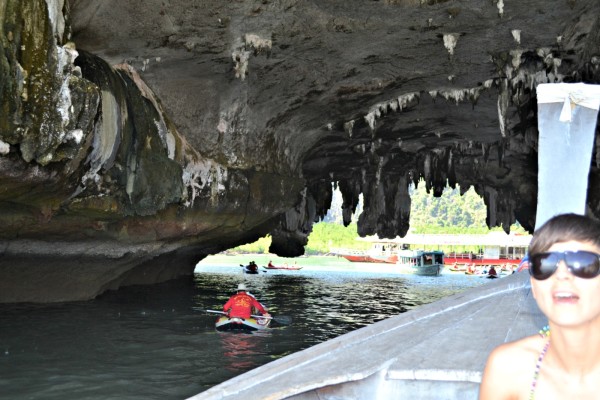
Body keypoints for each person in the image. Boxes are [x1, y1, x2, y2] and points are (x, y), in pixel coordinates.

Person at [479, 213, 600, 399]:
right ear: (534, 287)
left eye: (582, 263)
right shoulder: (507, 368)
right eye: (545, 265)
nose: (562, 275)